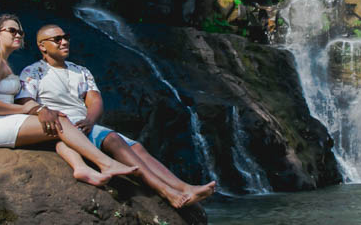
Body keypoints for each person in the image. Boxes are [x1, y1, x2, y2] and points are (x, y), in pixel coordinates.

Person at [17, 23, 216, 207]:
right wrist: (43, 112)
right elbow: (25, 100)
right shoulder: (33, 72)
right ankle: (167, 192)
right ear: (42, 46)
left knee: (138, 147)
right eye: (57, 39)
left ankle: (184, 187)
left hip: (86, 124)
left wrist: (90, 119)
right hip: (65, 128)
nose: (64, 42)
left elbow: (95, 100)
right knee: (113, 139)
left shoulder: (81, 71)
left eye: (66, 37)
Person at [0, 14, 137, 187]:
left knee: (53, 123)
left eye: (20, 32)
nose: (18, 35)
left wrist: (42, 110)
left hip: (5, 120)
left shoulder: (4, 63)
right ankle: (106, 164)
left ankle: (81, 168)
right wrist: (30, 110)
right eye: (12, 31)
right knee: (58, 121)